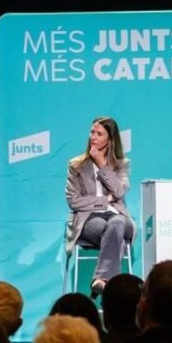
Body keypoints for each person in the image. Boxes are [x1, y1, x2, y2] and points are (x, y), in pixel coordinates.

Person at [66, 116, 134, 298]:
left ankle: (101, 279)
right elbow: (74, 201)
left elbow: (119, 191)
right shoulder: (76, 165)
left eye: (99, 134)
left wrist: (103, 165)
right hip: (89, 219)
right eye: (92, 132)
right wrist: (104, 201)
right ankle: (109, 290)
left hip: (117, 216)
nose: (93, 137)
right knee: (112, 233)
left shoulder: (122, 165)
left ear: (110, 140)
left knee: (118, 223)